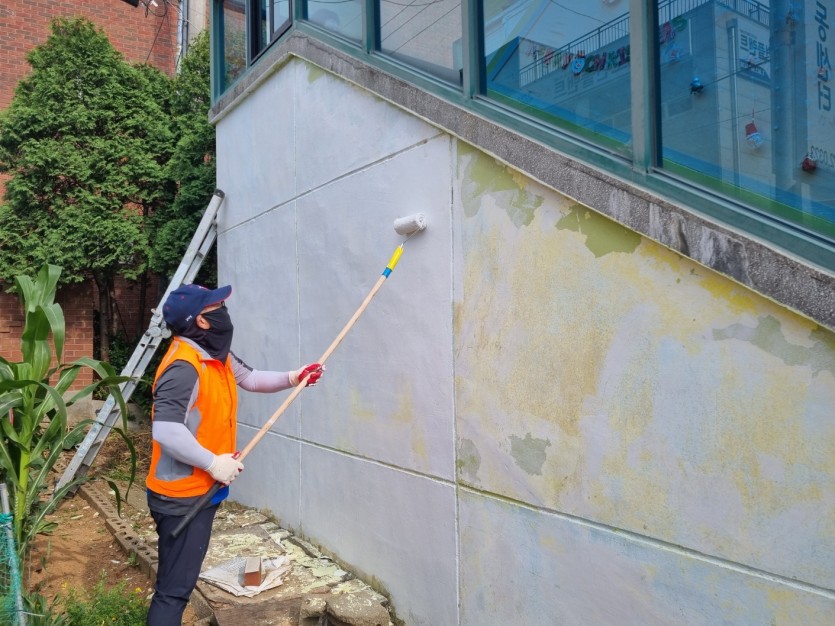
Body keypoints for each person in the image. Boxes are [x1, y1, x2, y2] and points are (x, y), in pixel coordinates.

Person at [146, 283, 323, 625]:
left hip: (201, 488)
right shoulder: (184, 366)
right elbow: (166, 431)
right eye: (217, 307)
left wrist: (295, 376)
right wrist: (213, 463)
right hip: (182, 496)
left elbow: (252, 378)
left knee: (176, 581)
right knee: (173, 591)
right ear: (201, 320)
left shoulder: (214, 355)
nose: (224, 312)